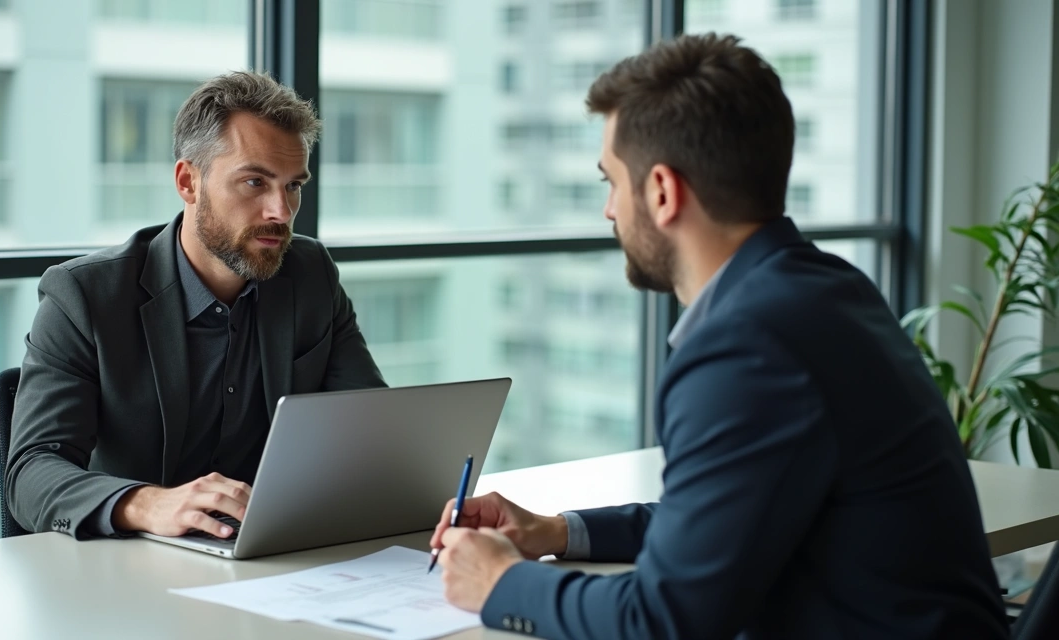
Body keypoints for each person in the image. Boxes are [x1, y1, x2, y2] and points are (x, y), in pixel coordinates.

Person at [430, 34, 1008, 639]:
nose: (608, 211)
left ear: (661, 191)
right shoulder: (827, 289)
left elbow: (664, 621)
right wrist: (555, 530)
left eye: (611, 183)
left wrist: (501, 584)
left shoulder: (747, 343)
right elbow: (724, 518)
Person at [6, 71, 385, 541]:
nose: (281, 212)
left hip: (276, 558)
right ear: (189, 181)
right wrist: (147, 503)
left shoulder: (310, 274)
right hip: (133, 572)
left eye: (292, 186)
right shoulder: (83, 296)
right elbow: (30, 472)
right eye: (254, 182)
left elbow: (373, 431)